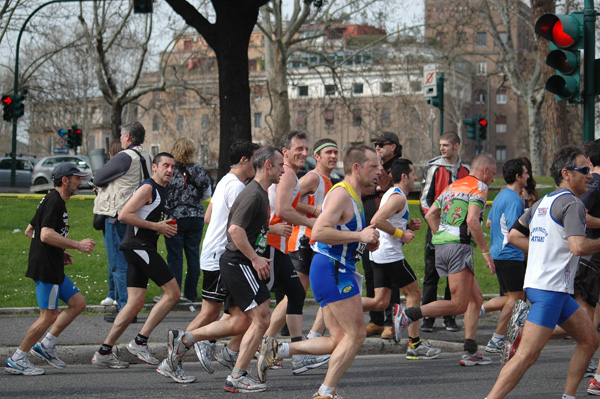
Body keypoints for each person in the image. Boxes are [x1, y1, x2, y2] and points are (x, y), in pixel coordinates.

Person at [257, 145, 381, 399]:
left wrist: (361, 241)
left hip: (337, 268)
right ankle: (326, 393)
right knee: (356, 334)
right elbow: (321, 232)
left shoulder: (353, 196)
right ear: (356, 168)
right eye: (374, 166)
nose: (379, 171)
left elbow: (340, 233)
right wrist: (359, 234)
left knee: (338, 340)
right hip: (331, 269)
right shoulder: (341, 194)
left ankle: (277, 350)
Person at [163, 146, 285, 392]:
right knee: (262, 318)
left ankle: (185, 338)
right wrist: (255, 258)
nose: (285, 170)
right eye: (281, 165)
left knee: (240, 322)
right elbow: (235, 230)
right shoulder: (252, 194)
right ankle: (237, 376)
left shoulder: (256, 191)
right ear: (268, 166)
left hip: (234, 261)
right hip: (238, 262)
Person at [486, 145, 600, 399]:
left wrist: (542, 251)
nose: (590, 176)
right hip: (550, 290)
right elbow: (578, 246)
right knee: (527, 355)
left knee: (591, 340)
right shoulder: (573, 204)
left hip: (549, 288)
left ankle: (568, 397)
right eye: (584, 170)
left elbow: (514, 236)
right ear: (566, 173)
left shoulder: (543, 201)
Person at [395, 153, 497, 366]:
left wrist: (441, 237)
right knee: (458, 305)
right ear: (485, 170)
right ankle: (408, 314)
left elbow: (431, 214)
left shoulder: (453, 185)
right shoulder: (479, 187)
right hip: (459, 247)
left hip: (442, 246)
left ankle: (470, 350)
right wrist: (486, 252)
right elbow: (472, 221)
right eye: (494, 174)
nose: (494, 180)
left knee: (476, 299)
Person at [91, 153, 181, 372]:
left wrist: (165, 226)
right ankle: (140, 342)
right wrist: (157, 227)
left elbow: (147, 217)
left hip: (139, 247)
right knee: (173, 294)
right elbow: (124, 215)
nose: (169, 170)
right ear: (154, 167)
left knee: (134, 303)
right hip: (138, 246)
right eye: (165, 166)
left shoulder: (163, 190)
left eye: (172, 167)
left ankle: (104, 352)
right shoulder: (148, 187)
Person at [5, 163, 95, 375]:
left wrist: (59, 251)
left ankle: (45, 345)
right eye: (77, 179)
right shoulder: (54, 201)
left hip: (52, 263)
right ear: (65, 181)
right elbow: (44, 234)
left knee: (78, 303)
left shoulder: (52, 199)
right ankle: (17, 358)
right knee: (48, 316)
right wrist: (77, 245)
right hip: (45, 268)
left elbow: (30, 231)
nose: (80, 183)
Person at [184, 140, 259, 375]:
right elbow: (235, 227)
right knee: (210, 312)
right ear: (245, 160)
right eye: (256, 159)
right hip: (220, 255)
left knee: (237, 312)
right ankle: (175, 355)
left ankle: (228, 351)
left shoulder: (225, 181)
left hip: (215, 252)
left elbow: (209, 217)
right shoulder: (236, 186)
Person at [362, 158, 441, 359]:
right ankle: (414, 345)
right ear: (404, 176)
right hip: (390, 255)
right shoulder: (398, 198)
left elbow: (387, 220)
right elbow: (377, 220)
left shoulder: (392, 194)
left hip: (378, 254)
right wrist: (401, 234)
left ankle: (339, 306)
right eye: (413, 173)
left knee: (380, 301)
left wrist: (407, 227)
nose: (416, 177)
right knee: (415, 294)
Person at [263, 131, 328, 371]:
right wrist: (312, 221)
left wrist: (310, 213)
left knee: (295, 295)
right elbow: (282, 208)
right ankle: (238, 352)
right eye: (298, 148)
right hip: (270, 243)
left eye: (305, 148)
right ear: (285, 153)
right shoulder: (288, 173)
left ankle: (296, 355)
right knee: (252, 309)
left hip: (279, 243)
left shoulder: (289, 173)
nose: (303, 152)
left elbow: (287, 205)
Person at [93, 122, 152, 322]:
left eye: (121, 134)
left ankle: (126, 309)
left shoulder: (124, 157)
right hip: (137, 214)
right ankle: (129, 306)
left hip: (118, 215)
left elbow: (98, 177)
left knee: (119, 263)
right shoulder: (147, 155)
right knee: (133, 263)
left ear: (127, 137)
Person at [286, 138, 337, 357]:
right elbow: (286, 201)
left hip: (319, 244)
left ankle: (313, 338)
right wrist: (313, 210)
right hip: (303, 242)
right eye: (328, 153)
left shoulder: (329, 180)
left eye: (336, 152)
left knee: (327, 292)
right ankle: (268, 341)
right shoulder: (313, 177)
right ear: (317, 157)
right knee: (295, 296)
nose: (333, 156)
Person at [419, 131, 470, 332]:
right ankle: (427, 318)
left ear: (456, 146)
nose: (442, 148)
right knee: (431, 275)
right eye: (440, 145)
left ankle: (450, 317)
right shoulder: (434, 168)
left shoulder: (466, 170)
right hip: (436, 229)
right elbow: (425, 200)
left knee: (455, 276)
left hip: (458, 232)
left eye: (446, 145)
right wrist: (435, 226)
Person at [483, 158, 528, 354]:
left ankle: (477, 310)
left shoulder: (502, 195)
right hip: (510, 254)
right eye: (525, 173)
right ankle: (497, 339)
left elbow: (490, 222)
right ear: (518, 176)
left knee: (512, 297)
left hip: (498, 253)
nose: (528, 176)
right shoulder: (514, 199)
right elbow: (513, 232)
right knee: (517, 298)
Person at [362, 131, 402, 339]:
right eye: (375, 144)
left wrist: (377, 185)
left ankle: (391, 321)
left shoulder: (398, 166)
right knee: (371, 275)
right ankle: (376, 320)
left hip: (387, 230)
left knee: (390, 278)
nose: (377, 147)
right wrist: (374, 188)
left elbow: (388, 186)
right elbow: (360, 187)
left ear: (393, 146)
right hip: (367, 229)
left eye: (381, 144)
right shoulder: (371, 166)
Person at [162, 138, 211, 302]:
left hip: (175, 218)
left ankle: (173, 295)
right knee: (193, 256)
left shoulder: (169, 170)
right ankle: (190, 294)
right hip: (195, 216)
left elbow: (163, 192)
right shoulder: (199, 170)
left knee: (175, 257)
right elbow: (207, 194)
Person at [101, 140, 124, 307]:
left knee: (116, 258)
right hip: (117, 215)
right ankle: (115, 294)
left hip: (112, 215)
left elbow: (98, 181)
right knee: (116, 257)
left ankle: (119, 297)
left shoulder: (113, 168)